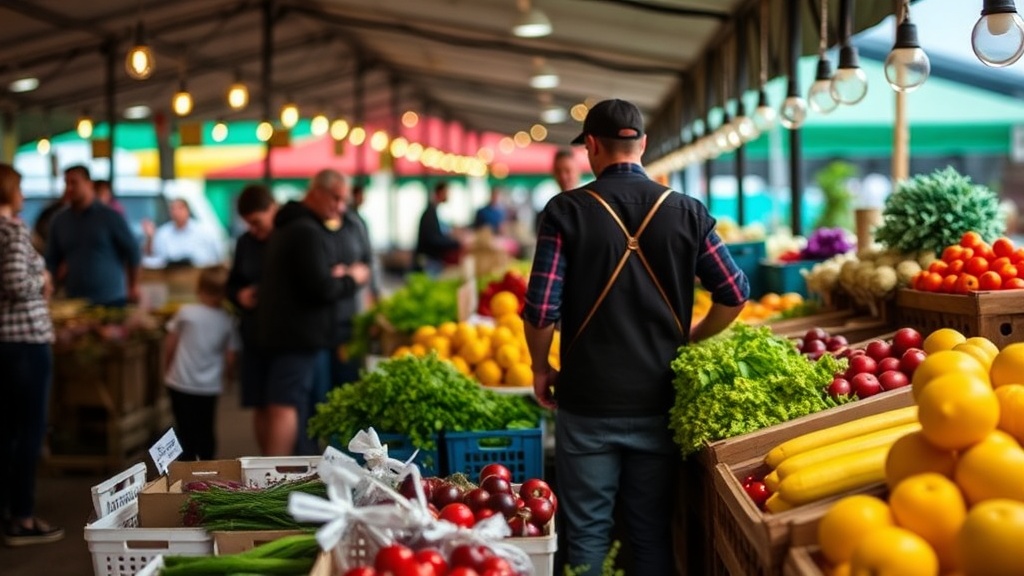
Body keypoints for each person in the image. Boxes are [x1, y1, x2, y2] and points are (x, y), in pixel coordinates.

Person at [523, 99, 749, 576]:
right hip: (659, 399)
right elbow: (733, 292)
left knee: (587, 532)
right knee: (648, 530)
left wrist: (541, 368)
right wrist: (694, 334)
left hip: (586, 402)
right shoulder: (687, 211)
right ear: (643, 144)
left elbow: (542, 309)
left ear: (591, 147)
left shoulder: (565, 211)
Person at [257, 169, 370, 456]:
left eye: (343, 200)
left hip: (290, 333)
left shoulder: (291, 225)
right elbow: (321, 288)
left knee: (297, 404)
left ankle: (287, 471)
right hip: (298, 335)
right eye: (335, 198)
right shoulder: (305, 231)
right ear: (316, 191)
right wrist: (351, 278)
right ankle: (278, 477)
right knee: (288, 405)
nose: (340, 206)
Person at [0, 163, 63, 546]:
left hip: (5, 344)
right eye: (19, 188)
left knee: (6, 430)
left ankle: (8, 509)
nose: (23, 196)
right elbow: (16, 282)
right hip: (25, 341)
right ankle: (22, 517)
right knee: (29, 430)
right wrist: (43, 279)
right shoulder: (12, 229)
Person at [163, 266, 239, 461]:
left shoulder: (186, 312)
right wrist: (228, 378)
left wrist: (166, 366)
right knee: (206, 426)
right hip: (209, 385)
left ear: (199, 289)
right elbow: (231, 355)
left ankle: (185, 467)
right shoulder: (228, 319)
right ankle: (206, 466)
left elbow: (170, 342)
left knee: (184, 426)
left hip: (180, 380)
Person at [226, 184, 277, 456]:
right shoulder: (245, 243)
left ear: (273, 208)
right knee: (258, 402)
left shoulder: (287, 238)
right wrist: (239, 295)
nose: (254, 230)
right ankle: (266, 461)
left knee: (279, 404)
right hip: (253, 333)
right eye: (249, 225)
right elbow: (231, 285)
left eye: (258, 223)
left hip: (282, 337)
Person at [46, 165, 141, 306]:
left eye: (74, 183)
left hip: (111, 300)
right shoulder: (59, 221)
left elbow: (133, 251)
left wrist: (133, 286)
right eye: (66, 183)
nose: (69, 188)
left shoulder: (110, 217)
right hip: (74, 302)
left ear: (89, 184)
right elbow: (52, 260)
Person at [142, 198, 223, 268]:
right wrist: (150, 238)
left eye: (180, 208)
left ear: (188, 210)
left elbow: (217, 256)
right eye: (173, 209)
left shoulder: (204, 231)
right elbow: (152, 257)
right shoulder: (163, 233)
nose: (176, 212)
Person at [415, 181, 462, 276]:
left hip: (432, 259)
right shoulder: (430, 214)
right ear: (440, 193)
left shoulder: (433, 212)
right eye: (447, 193)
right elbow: (433, 239)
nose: (449, 196)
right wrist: (455, 242)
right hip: (430, 260)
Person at [349, 184, 380, 311]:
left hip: (359, 273)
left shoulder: (355, 219)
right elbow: (366, 251)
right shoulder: (353, 220)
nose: (364, 198)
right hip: (357, 273)